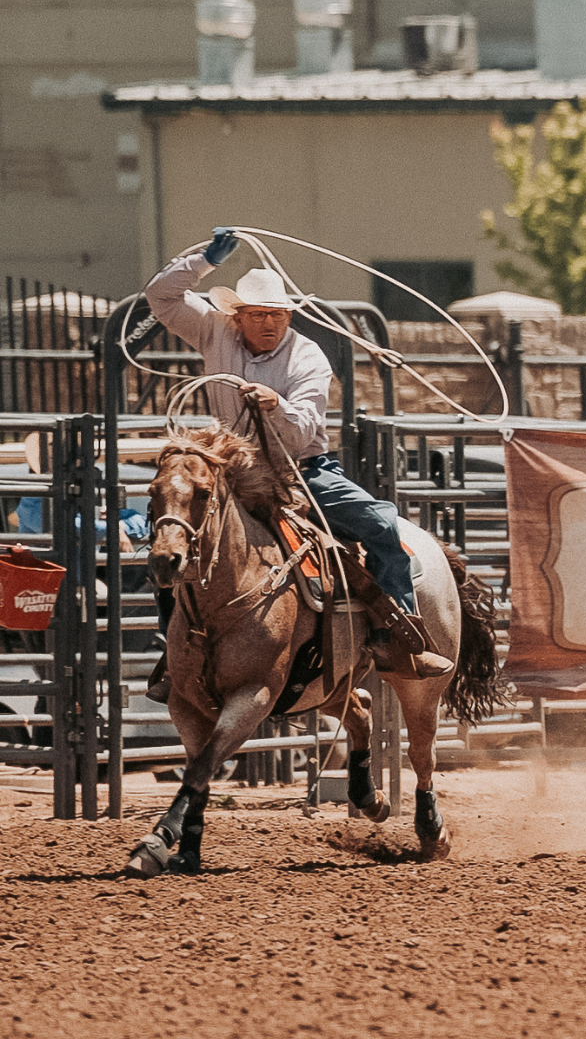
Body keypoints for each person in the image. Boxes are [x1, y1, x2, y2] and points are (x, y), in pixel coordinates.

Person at [143, 227, 454, 702]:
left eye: (278, 314)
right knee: (175, 546)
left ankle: (398, 634)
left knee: (378, 521)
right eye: (259, 314)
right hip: (230, 474)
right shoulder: (212, 330)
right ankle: (176, 655)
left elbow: (303, 429)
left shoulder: (307, 355)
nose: (270, 323)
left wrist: (276, 407)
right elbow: (161, 296)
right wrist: (204, 261)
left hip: (301, 471)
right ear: (237, 316)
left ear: (289, 315)